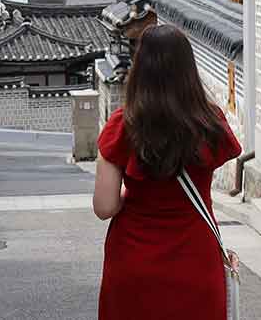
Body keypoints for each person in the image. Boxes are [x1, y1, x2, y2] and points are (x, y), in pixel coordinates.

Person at [93, 24, 241, 319]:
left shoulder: (123, 125)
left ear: (140, 68)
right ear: (188, 68)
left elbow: (104, 207)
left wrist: (130, 191)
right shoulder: (210, 122)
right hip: (196, 257)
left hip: (134, 260)